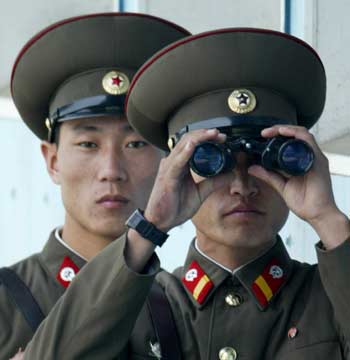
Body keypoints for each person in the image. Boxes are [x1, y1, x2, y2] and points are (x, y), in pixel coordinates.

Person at [23, 29, 350, 359]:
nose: (242, 185)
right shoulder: (134, 310)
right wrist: (149, 228)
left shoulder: (331, 299)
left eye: (264, 162)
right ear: (175, 171)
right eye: (213, 163)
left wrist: (329, 220)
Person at [1, 12, 190, 359]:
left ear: (167, 159)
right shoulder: (6, 300)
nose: (111, 170)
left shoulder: (180, 307)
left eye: (134, 144)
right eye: (89, 144)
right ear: (52, 161)